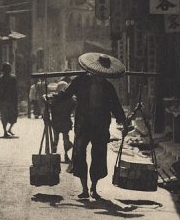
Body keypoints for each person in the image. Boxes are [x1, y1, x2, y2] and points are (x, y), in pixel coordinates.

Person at [55, 53, 128, 200]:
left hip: (101, 125)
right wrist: (53, 98)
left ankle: (94, 188)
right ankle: (84, 189)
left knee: (99, 155)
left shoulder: (108, 87)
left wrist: (124, 121)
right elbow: (66, 93)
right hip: (83, 123)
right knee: (79, 154)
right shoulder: (80, 81)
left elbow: (116, 106)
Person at [50, 79, 76, 165]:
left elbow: (49, 106)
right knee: (65, 139)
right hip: (65, 122)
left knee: (56, 139)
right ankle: (66, 155)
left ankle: (54, 154)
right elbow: (74, 107)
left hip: (56, 122)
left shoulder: (54, 98)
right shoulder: (70, 100)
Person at [0, 62, 18, 138]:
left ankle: (6, 131)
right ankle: (6, 131)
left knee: (5, 117)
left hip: (5, 101)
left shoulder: (1, 78)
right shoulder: (12, 78)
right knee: (10, 116)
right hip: (9, 101)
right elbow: (15, 91)